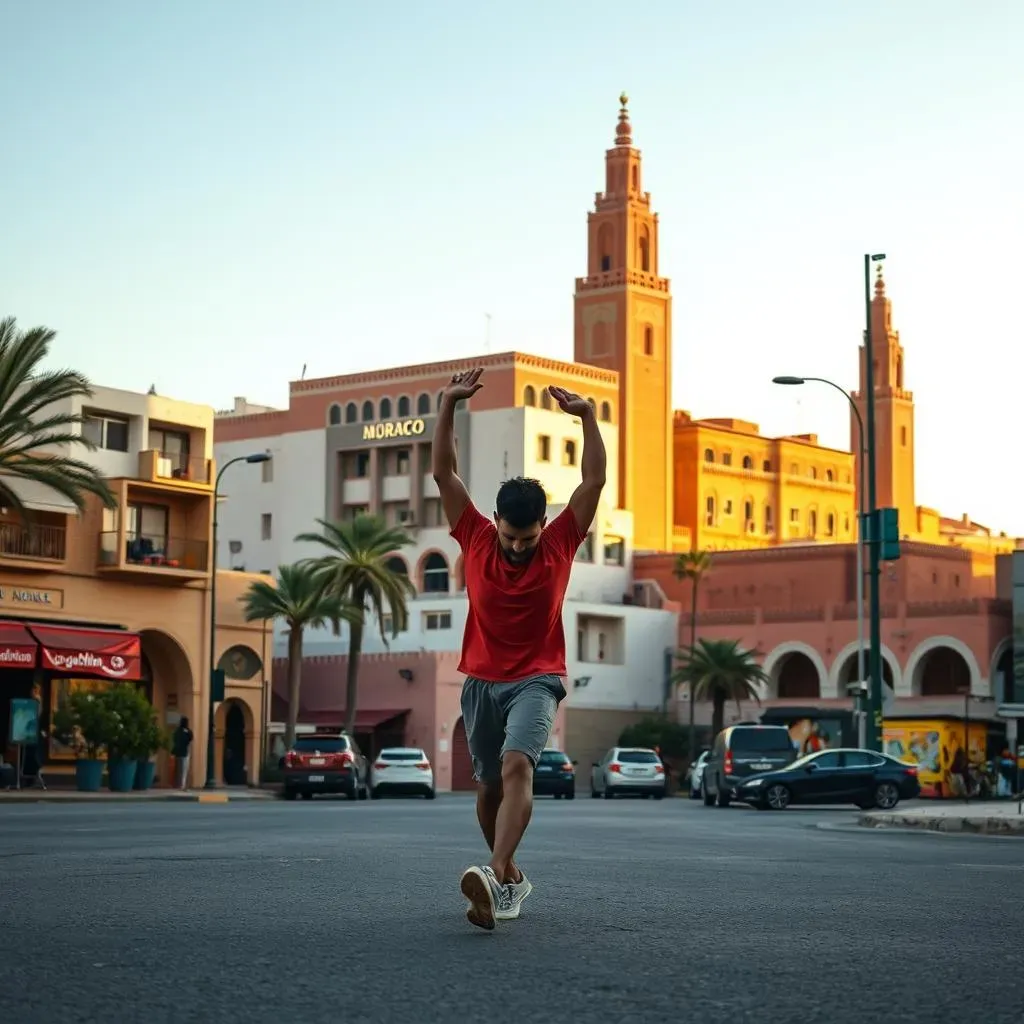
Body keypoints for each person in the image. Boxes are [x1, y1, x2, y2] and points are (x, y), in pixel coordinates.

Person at [432, 366, 606, 931]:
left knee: (515, 768)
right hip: (481, 679)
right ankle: (509, 880)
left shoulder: (560, 541)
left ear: (543, 529)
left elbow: (594, 483)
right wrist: (448, 405)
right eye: (509, 536)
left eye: (525, 540)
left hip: (537, 677)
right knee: (486, 790)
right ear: (497, 523)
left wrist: (587, 419)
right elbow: (443, 472)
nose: (515, 548)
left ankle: (492, 870)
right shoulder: (475, 534)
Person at [172, 716, 194, 790]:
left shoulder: (177, 731)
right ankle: (182, 785)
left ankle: (178, 784)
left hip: (178, 752)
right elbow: (190, 740)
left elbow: (174, 739)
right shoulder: (188, 731)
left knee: (178, 769)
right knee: (184, 769)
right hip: (185, 752)